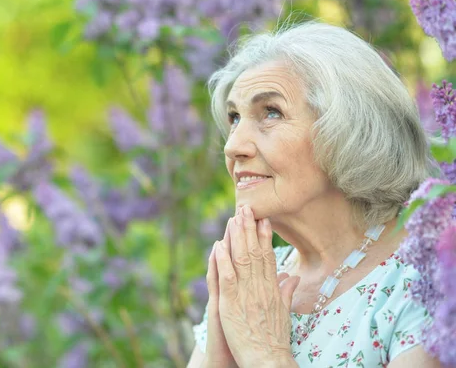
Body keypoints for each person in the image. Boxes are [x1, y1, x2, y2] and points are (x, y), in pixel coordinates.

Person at [187, 22, 442, 368]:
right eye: (234, 118)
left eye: (271, 112)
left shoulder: (428, 277)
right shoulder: (253, 277)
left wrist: (265, 354)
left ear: (349, 132)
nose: (233, 146)